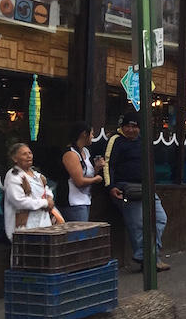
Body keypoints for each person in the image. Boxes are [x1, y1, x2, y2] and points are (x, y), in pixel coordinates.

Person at [104, 110, 169, 271]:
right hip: (127, 189)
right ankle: (151, 260)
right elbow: (107, 164)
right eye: (128, 126)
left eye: (135, 127)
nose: (131, 130)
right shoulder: (116, 140)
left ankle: (144, 254)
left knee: (160, 219)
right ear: (122, 126)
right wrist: (110, 186)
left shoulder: (141, 140)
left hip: (146, 187)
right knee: (138, 227)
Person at [4, 142, 64, 241]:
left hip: (43, 222)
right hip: (25, 225)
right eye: (24, 154)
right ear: (15, 159)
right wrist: (45, 203)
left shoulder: (36, 174)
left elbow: (46, 189)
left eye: (30, 153)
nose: (28, 156)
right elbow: (19, 202)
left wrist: (49, 197)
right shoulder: (13, 176)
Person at [60, 121, 105, 222]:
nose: (93, 137)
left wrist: (97, 168)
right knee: (79, 235)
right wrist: (96, 179)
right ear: (84, 134)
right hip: (73, 202)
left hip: (85, 200)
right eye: (92, 133)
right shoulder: (71, 154)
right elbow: (79, 181)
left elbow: (88, 175)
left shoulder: (85, 151)